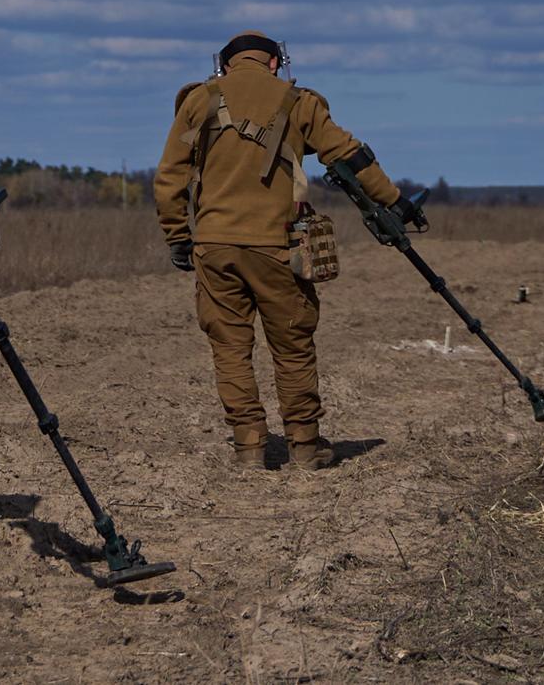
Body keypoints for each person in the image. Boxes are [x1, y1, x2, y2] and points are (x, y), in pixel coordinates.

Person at [152, 31, 418, 470]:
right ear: (276, 64)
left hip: (215, 247)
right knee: (292, 346)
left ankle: (250, 447)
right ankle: (304, 446)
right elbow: (350, 156)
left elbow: (169, 176)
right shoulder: (300, 103)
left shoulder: (199, 101)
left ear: (225, 65)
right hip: (277, 247)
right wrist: (394, 201)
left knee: (230, 348)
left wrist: (178, 235)